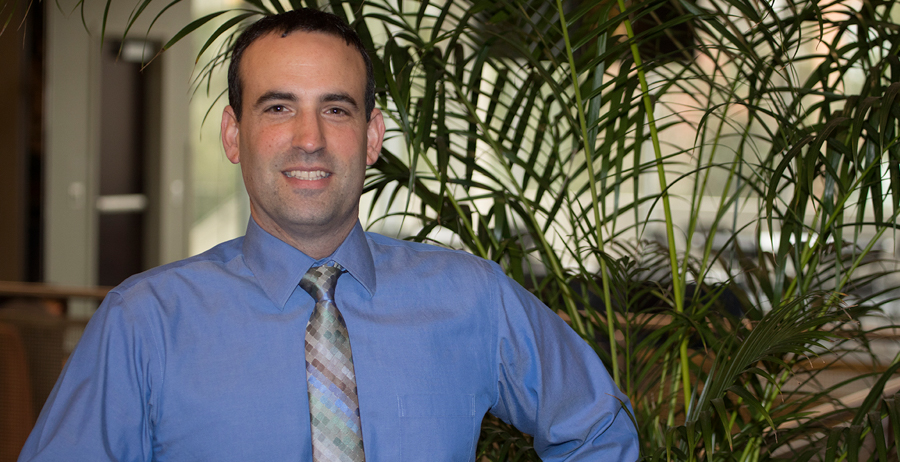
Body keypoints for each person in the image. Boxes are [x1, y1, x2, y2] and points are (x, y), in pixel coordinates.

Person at [18, 8, 639, 461]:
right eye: (279, 107)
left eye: (336, 109)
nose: (309, 138)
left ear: (372, 137)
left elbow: (598, 428)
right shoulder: (144, 323)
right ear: (235, 135)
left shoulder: (472, 298)